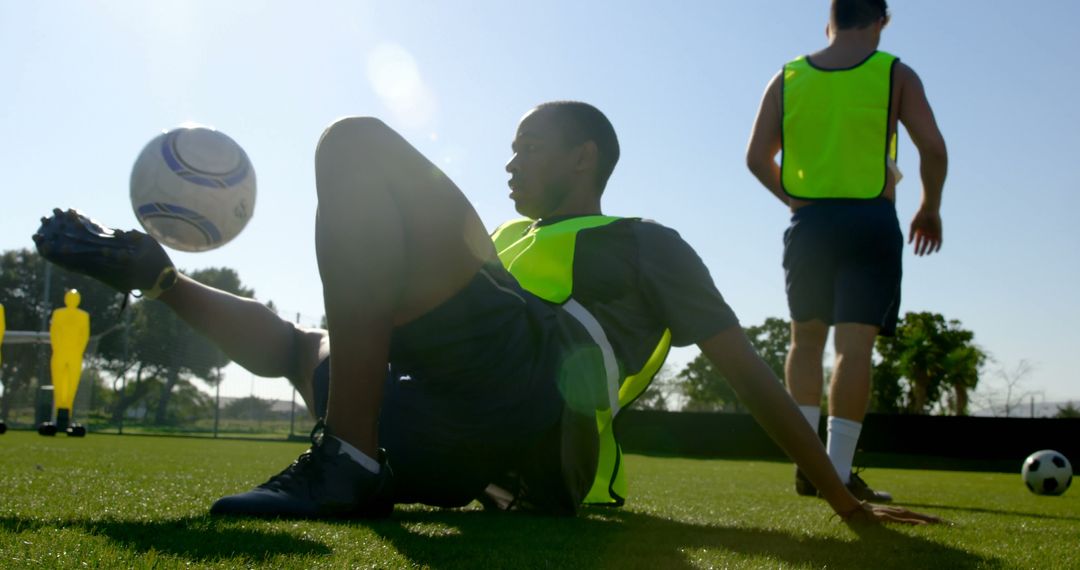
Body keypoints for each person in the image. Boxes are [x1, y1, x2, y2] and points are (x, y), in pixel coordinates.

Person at [34, 101, 936, 524]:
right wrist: (160, 282)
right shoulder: (497, 249)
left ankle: (347, 458)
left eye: (527, 147)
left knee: (354, 144)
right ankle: (358, 451)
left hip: (538, 394)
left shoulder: (640, 241)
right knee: (320, 347)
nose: (510, 164)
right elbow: (294, 347)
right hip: (456, 439)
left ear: (583, 159)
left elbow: (745, 371)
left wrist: (839, 495)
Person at [746, 0, 948, 501]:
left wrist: (797, 202)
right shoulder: (895, 72)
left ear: (829, 22)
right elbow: (934, 148)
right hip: (870, 222)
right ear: (881, 22)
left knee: (805, 342)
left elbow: (755, 158)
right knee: (853, 349)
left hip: (810, 225)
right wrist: (929, 208)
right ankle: (835, 471)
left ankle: (806, 466)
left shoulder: (787, 76)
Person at [49, 289, 91, 430]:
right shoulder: (58, 313)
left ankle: (68, 412)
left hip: (74, 355)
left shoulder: (84, 316)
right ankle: (58, 413)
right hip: (60, 354)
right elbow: (54, 332)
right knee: (59, 385)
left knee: (71, 386)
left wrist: (78, 351)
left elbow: (84, 336)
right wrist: (58, 349)